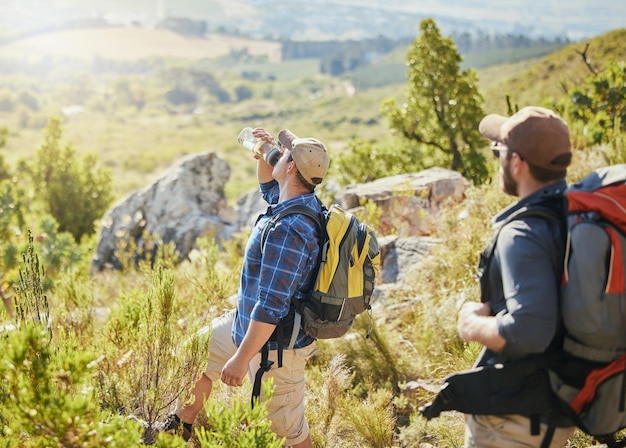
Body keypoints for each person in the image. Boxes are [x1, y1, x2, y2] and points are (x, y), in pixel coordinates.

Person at [154, 127, 329, 447]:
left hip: (276, 347)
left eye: (284, 152)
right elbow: (267, 186)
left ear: (291, 167)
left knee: (286, 432)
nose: (278, 152)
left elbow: (272, 304)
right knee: (196, 354)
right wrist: (263, 152)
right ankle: (178, 430)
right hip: (247, 325)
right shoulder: (292, 198)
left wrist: (240, 358)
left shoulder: (292, 228)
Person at [456, 106, 576, 448]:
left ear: (517, 163)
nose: (497, 159)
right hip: (556, 408)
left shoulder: (522, 233)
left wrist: (471, 325)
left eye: (499, 151)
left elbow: (530, 330)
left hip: (514, 419)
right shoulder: (575, 215)